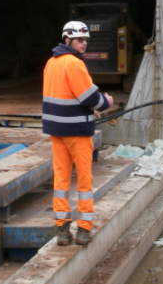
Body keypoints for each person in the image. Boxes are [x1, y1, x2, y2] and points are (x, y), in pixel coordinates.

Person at [43, 21, 114, 246]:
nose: (84, 44)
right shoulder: (74, 64)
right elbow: (90, 97)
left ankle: (62, 230)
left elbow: (64, 95)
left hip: (57, 130)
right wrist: (106, 103)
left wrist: (88, 110)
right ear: (67, 40)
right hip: (77, 132)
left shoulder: (51, 63)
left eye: (86, 40)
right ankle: (84, 230)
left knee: (61, 179)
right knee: (84, 180)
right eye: (79, 40)